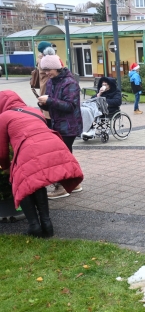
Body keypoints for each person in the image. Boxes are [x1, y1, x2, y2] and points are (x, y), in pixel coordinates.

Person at [0, 91, 84, 238]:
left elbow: (1, 151)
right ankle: (47, 224)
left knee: (23, 186)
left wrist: (6, 167)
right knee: (37, 183)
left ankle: (34, 227)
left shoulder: (4, 117)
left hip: (29, 149)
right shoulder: (34, 110)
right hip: (54, 145)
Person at [37, 54, 83, 199]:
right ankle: (74, 184)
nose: (46, 73)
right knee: (65, 155)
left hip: (69, 126)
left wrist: (49, 101)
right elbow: (52, 101)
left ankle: (64, 186)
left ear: (56, 67)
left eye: (47, 69)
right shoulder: (52, 82)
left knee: (62, 156)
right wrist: (43, 103)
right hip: (56, 124)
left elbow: (70, 106)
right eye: (44, 70)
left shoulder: (70, 83)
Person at [36, 41, 59, 128]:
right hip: (47, 88)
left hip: (45, 88)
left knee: (47, 111)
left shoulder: (41, 59)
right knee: (48, 113)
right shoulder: (44, 61)